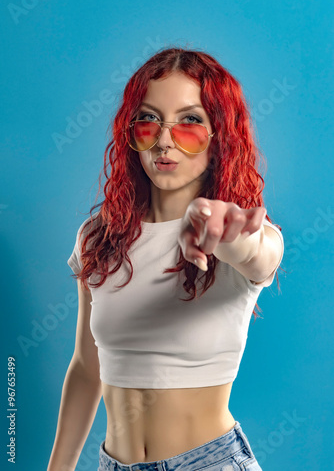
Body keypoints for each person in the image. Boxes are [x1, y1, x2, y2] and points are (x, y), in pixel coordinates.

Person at [47, 47, 284, 471]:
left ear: (221, 135)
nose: (164, 140)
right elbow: (87, 367)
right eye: (148, 120)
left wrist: (220, 227)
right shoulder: (97, 239)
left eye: (190, 122)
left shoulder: (244, 232)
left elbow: (257, 255)